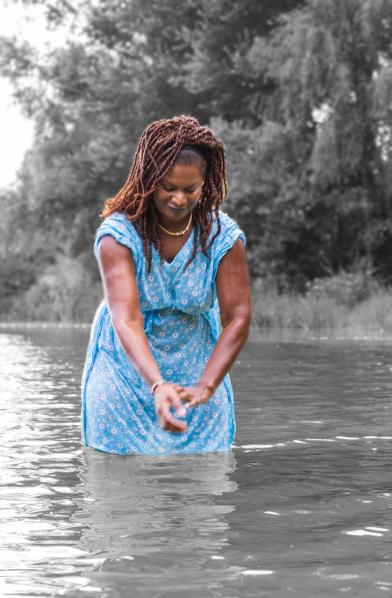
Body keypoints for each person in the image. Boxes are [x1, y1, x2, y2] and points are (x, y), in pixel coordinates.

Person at [80, 115, 252, 456]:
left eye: (190, 189)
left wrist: (206, 386)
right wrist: (156, 385)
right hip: (124, 375)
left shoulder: (223, 238)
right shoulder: (119, 236)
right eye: (168, 187)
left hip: (198, 372)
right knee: (119, 486)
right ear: (149, 181)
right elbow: (126, 317)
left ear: (205, 184)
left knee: (205, 488)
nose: (178, 199)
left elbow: (238, 317)